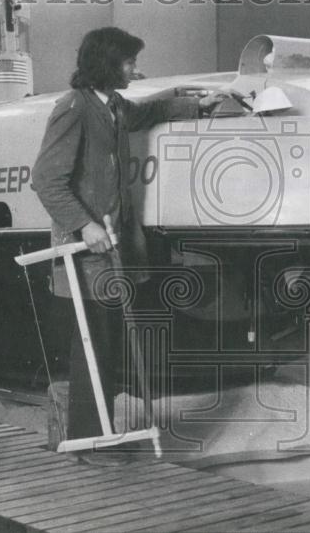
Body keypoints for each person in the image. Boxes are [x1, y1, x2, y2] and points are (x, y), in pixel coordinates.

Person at [31, 26, 225, 457]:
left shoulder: (113, 106)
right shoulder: (74, 108)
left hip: (114, 251)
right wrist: (85, 226)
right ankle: (88, 441)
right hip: (87, 254)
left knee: (106, 344)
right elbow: (45, 179)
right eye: (129, 61)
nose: (135, 69)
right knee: (93, 346)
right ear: (107, 63)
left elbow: (145, 113)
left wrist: (195, 105)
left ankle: (100, 434)